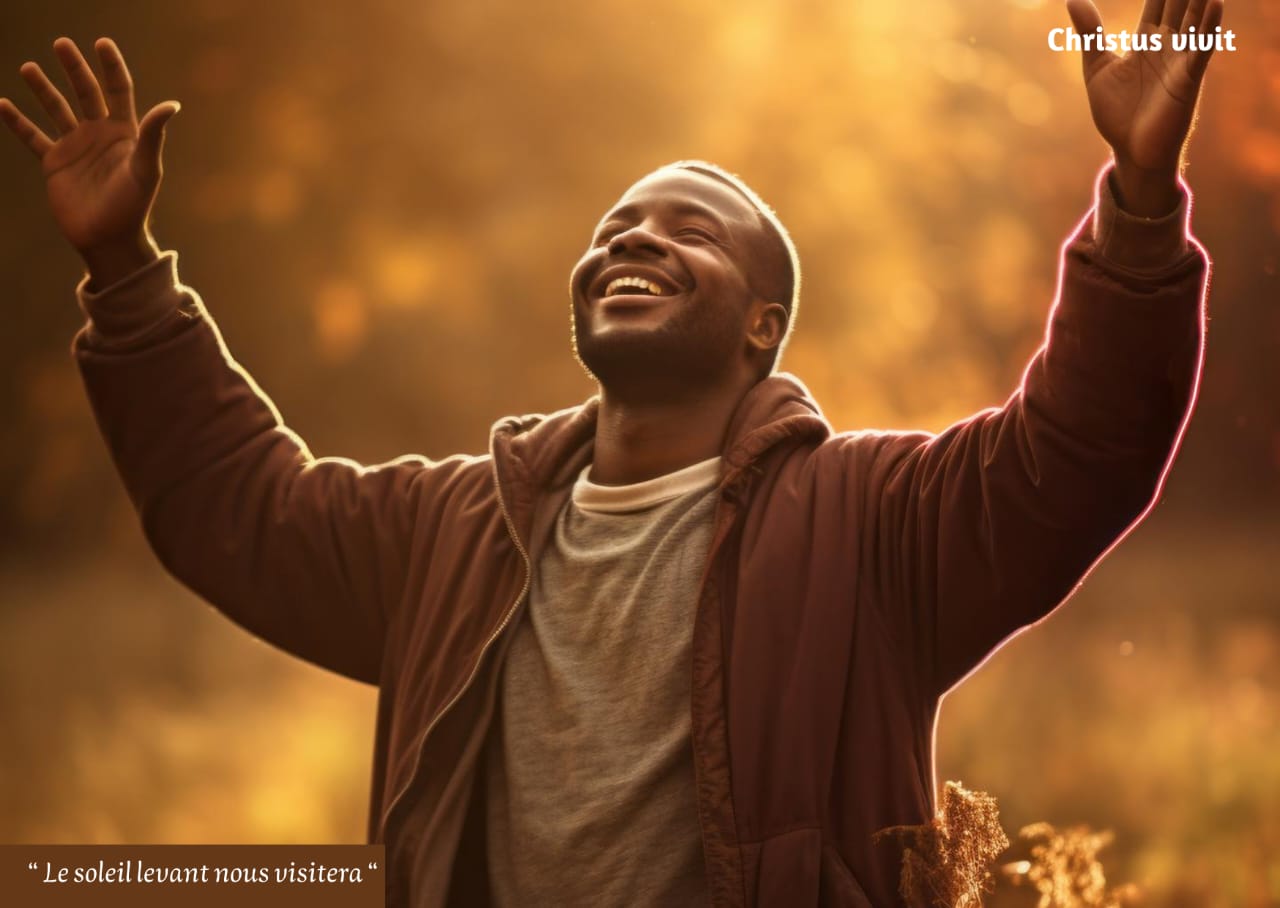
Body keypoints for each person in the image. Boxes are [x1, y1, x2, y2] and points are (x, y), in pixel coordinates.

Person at [0, 0, 1224, 904]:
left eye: (691, 230)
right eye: (614, 227)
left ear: (760, 326)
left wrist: (1135, 193)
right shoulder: (450, 530)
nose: (631, 240)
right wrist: (123, 271)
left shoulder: (870, 519)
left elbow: (1077, 448)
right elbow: (238, 507)